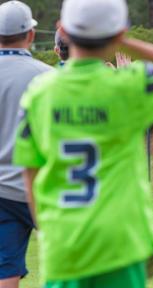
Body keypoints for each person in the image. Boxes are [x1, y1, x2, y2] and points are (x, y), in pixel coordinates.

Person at [13, 0, 153, 286]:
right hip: (121, 239)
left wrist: (46, 228)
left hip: (64, 241)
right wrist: (124, 42)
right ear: (118, 32)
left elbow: (29, 172)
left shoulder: (40, 93)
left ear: (63, 30)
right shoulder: (125, 85)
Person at [0, 1, 52, 287]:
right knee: (65, 265)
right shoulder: (48, 77)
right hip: (46, 187)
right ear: (31, 35)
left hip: (2, 192)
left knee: (6, 271)